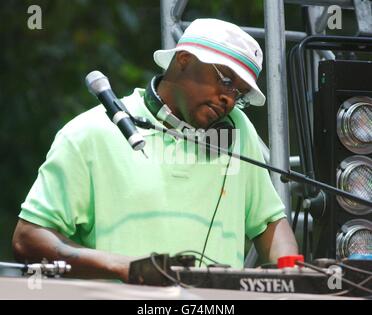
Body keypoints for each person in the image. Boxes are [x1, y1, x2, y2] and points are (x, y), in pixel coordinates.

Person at [12, 18, 298, 282]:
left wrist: (292, 276)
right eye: (225, 81)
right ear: (183, 60)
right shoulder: (91, 133)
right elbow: (28, 239)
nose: (229, 100)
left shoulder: (237, 131)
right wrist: (125, 267)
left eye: (240, 93)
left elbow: (269, 223)